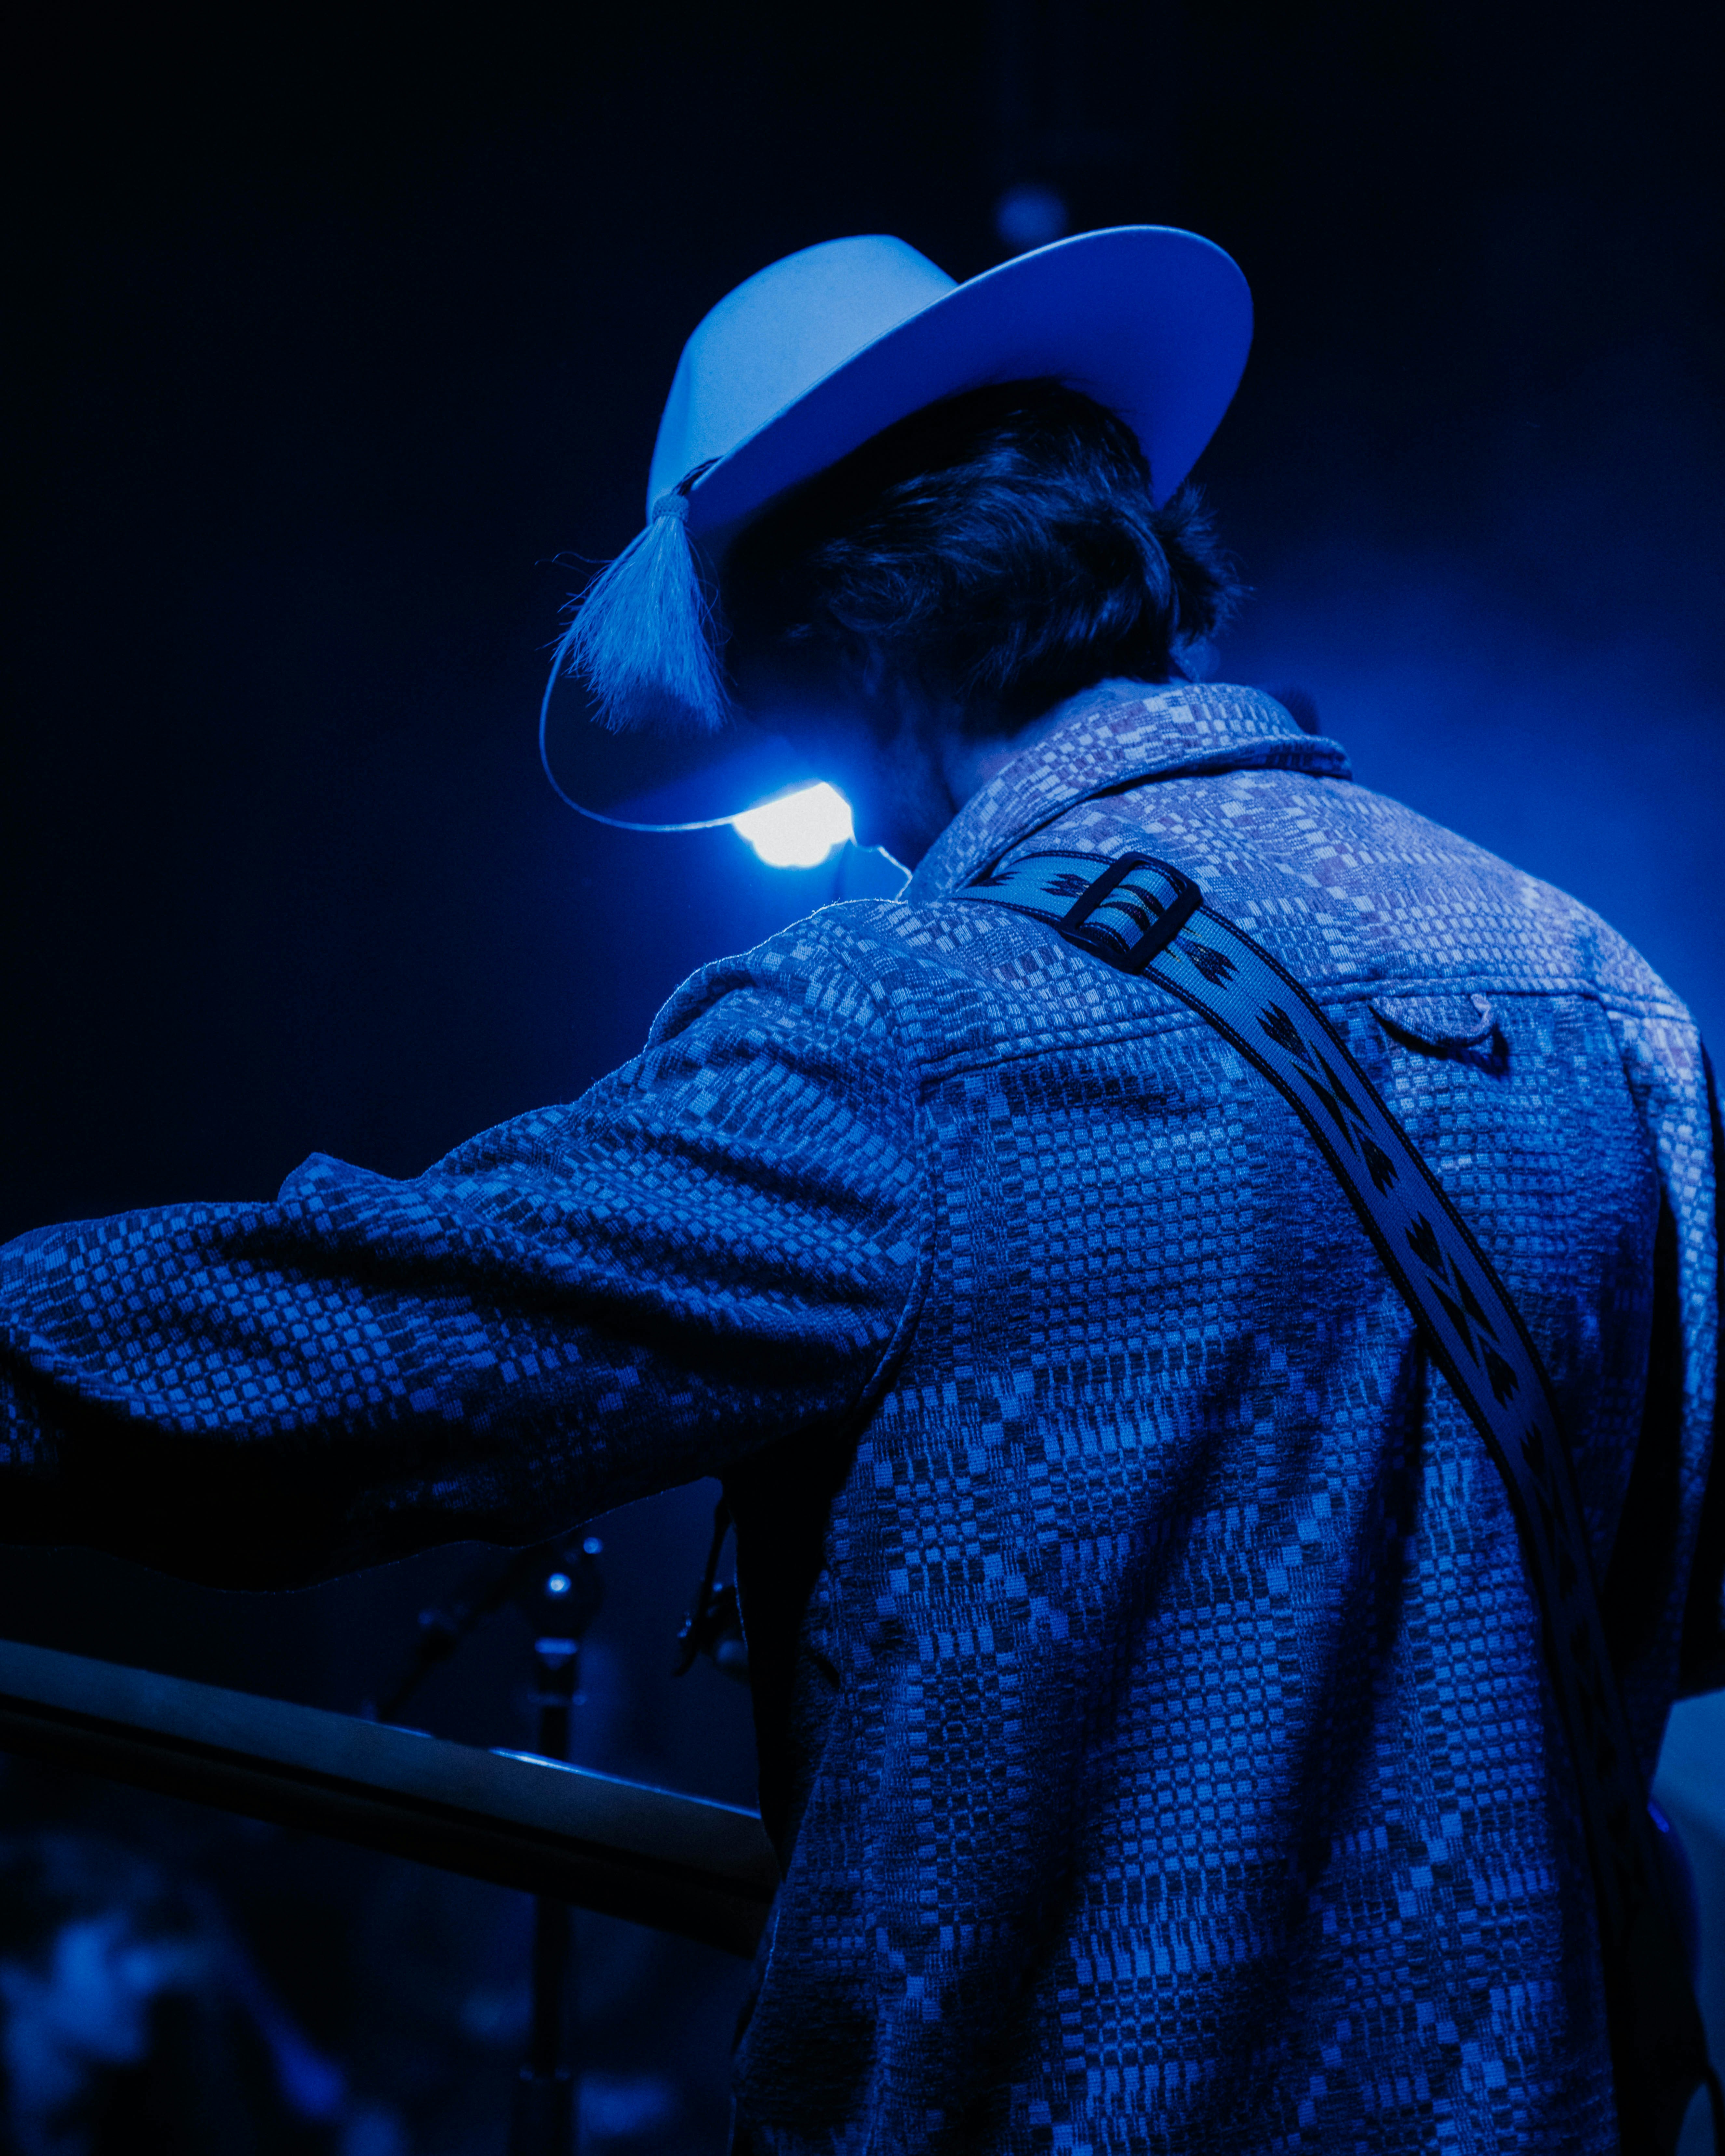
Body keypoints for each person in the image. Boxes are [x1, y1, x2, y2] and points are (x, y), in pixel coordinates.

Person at [2, 227, 1721, 2153]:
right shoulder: (1592, 987)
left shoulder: (898, 1028)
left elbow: (357, 1349)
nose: (847, 825)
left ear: (834, 642)